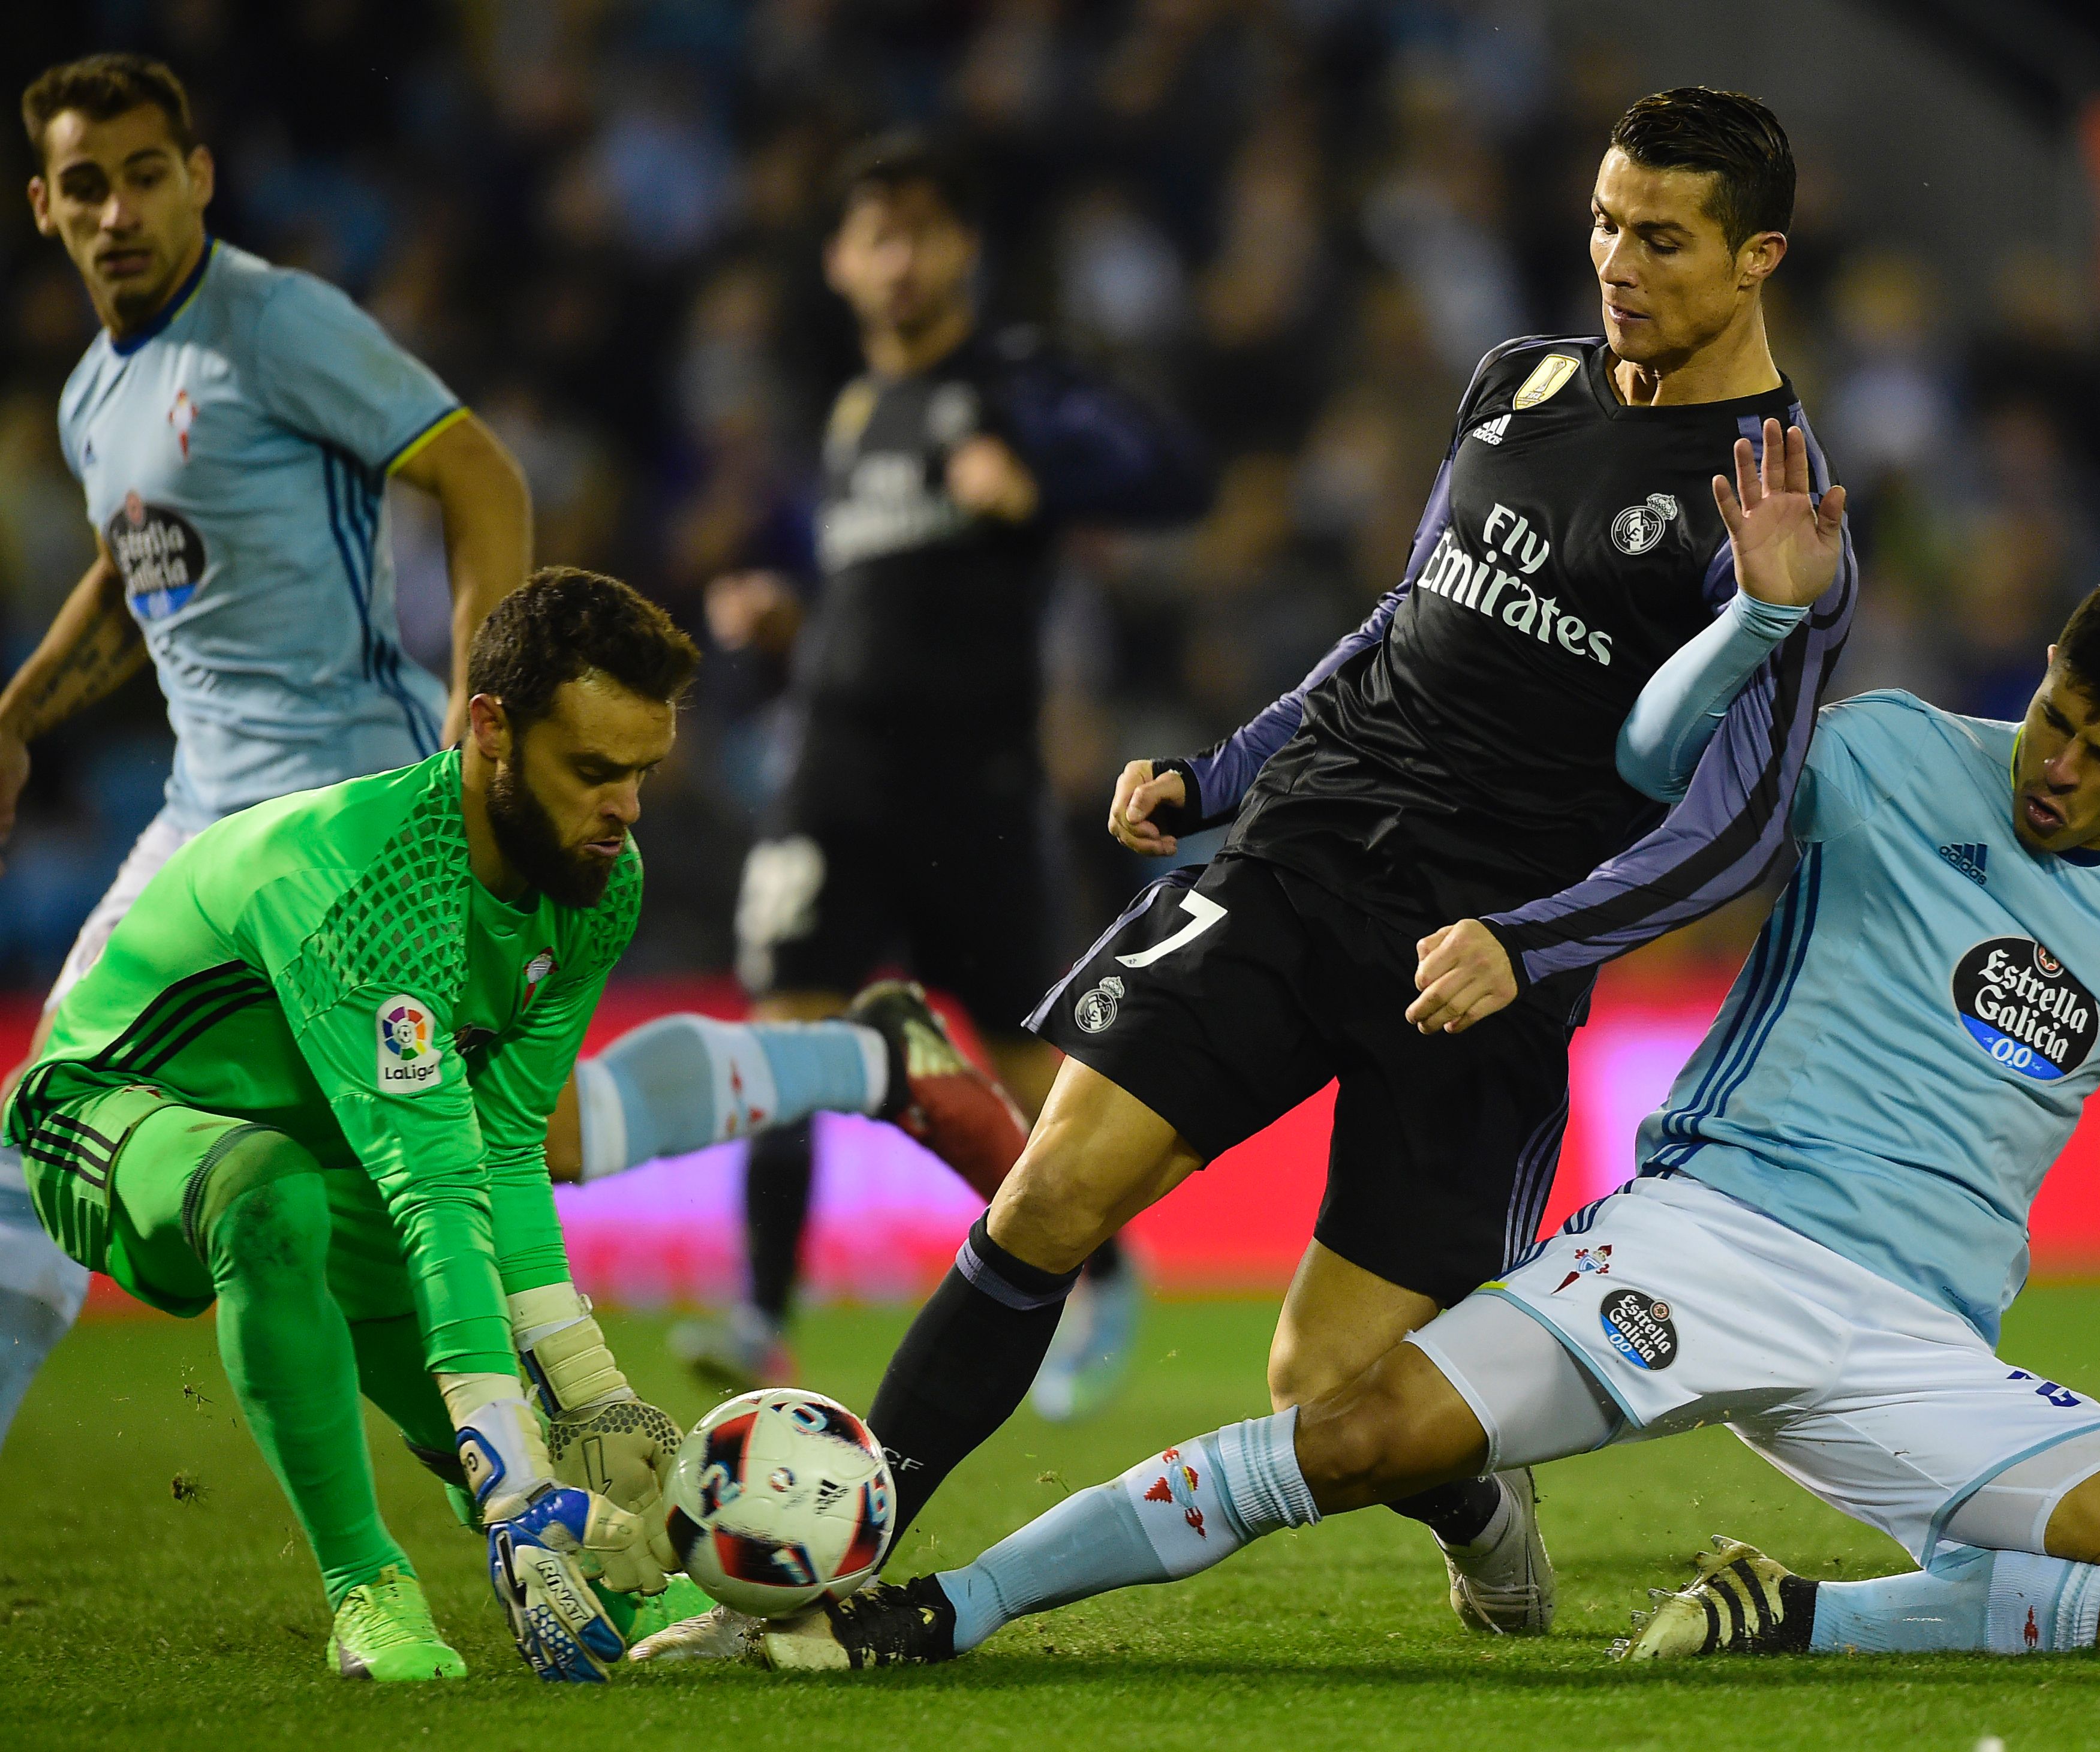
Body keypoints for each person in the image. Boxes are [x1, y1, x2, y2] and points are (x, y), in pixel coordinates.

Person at [690, 579, 2100, 1672]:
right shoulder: (1876, 758)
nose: (2057, 761)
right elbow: (1647, 758)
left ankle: (1789, 1624)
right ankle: (945, 1603)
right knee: (1346, 1430)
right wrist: (1760, 620)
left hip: (1913, 1335)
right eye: (2049, 715)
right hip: (1697, 1240)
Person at [636, 85, 1861, 1662]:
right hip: (1303, 854)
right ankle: (811, 1577)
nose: (1617, 261)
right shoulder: (1516, 382)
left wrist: (1533, 939)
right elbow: (1396, 626)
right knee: (1051, 1195)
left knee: (1323, 1391)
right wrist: (1219, 777)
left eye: (1663, 238)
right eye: (1605, 222)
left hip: (1474, 956)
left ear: (1758, 254)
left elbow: (1742, 817)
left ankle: (1476, 1503)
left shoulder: (1775, 508)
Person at [4, 569, 708, 1682]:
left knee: (444, 1357)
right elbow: (435, 1193)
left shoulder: (593, 880)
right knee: (268, 1193)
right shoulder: (363, 887)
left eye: (641, 774)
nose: (623, 810)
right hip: (108, 1113)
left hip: (338, 1148)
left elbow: (506, 1143)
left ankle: (540, 1527)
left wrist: (589, 1388)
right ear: (489, 729)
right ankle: (366, 1586)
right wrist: (517, 1466)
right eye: (592, 771)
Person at [0, 53, 535, 1449]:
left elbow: (477, 471)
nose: (119, 210)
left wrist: (478, 731)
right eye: (86, 185)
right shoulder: (88, 400)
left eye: (146, 175)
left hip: (346, 806)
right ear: (44, 208)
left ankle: (547, 1489)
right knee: (49, 1121)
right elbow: (139, 575)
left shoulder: (276, 324)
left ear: (201, 181)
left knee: (449, 1183)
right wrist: (18, 713)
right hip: (201, 828)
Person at [675, 131, 1214, 1416]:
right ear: (840, 263)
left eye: (923, 231)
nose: (900, 260)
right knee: (784, 1031)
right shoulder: (855, 417)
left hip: (970, 786)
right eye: (877, 236)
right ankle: (759, 1315)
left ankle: (1101, 1266)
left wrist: (1040, 480)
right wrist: (793, 628)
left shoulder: (1014, 384)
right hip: (834, 777)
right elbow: (890, 597)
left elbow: (1175, 477)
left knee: (1032, 1069)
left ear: (963, 248)